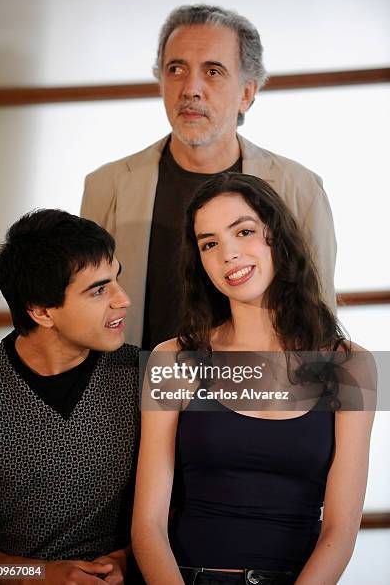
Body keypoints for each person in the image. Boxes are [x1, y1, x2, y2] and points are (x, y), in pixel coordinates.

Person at [131, 173, 375, 585]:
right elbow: (148, 526)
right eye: (209, 243)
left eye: (243, 231)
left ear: (276, 237)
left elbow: (340, 529)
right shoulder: (173, 359)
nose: (228, 254)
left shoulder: (350, 366)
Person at [81, 4, 337, 350]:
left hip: (261, 396)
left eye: (213, 71)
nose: (190, 89)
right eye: (176, 69)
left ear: (247, 92)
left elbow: (317, 315)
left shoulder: (299, 188)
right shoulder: (107, 186)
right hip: (134, 393)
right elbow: (86, 311)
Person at [0, 209, 139, 585]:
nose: (124, 300)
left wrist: (131, 559)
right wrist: (35, 574)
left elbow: (195, 503)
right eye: (99, 290)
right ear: (41, 311)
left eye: (116, 279)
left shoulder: (146, 373)